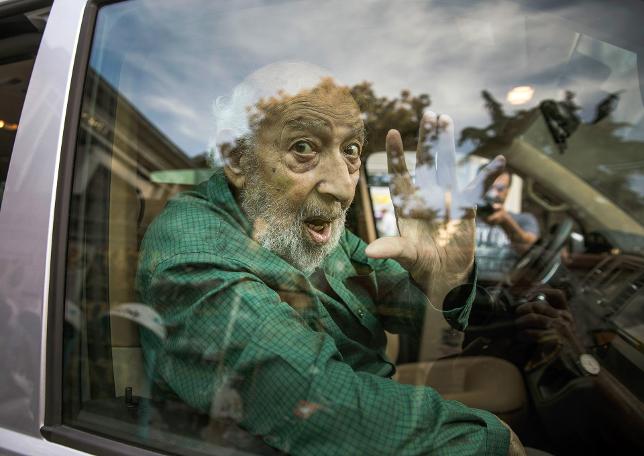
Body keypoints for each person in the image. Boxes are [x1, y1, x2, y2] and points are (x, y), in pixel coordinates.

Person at [136, 62, 525, 455]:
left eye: (351, 150)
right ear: (237, 158)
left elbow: (398, 303)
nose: (342, 188)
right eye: (303, 147)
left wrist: (442, 282)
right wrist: (494, 441)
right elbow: (319, 404)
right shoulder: (192, 253)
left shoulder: (301, 228)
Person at [476, 170, 540, 281]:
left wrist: (506, 221)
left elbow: (532, 252)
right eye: (488, 186)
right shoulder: (461, 218)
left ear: (508, 191)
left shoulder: (524, 220)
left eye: (500, 188)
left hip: (503, 292)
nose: (493, 193)